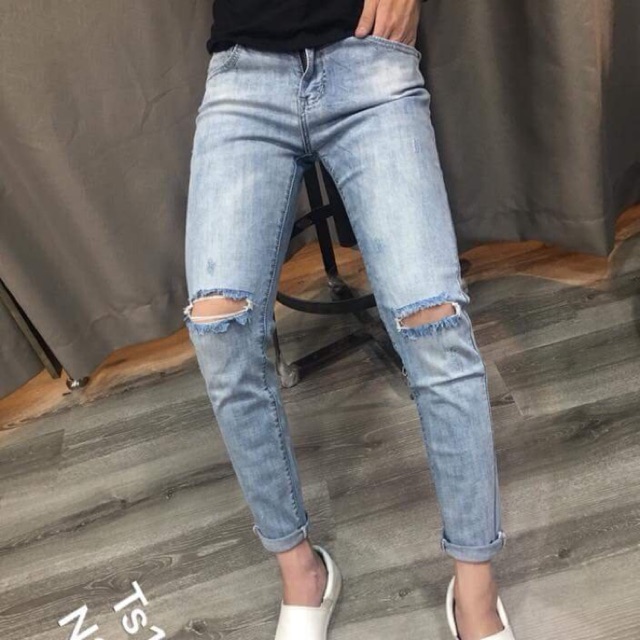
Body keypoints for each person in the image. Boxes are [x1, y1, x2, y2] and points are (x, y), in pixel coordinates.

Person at [182, 1, 515, 639]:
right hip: (245, 74)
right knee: (217, 325)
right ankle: (302, 573)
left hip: (367, 60)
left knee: (434, 320)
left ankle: (476, 591)